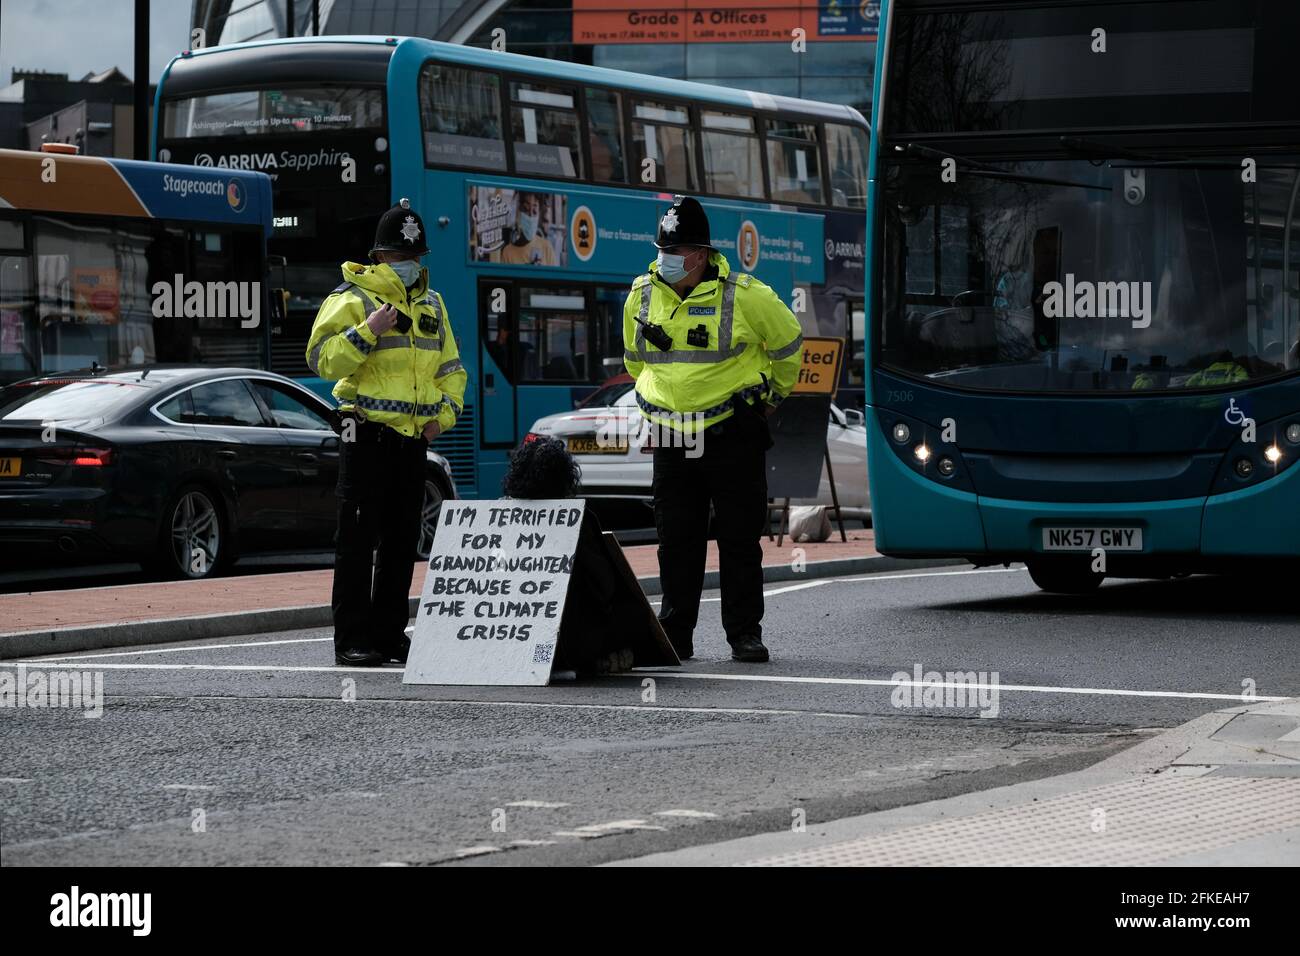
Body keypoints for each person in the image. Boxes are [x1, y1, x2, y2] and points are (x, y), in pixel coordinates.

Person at [623, 195, 804, 663]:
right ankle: (676, 634)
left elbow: (789, 345)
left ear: (701, 254)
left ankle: (744, 634)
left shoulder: (746, 295)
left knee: (739, 539)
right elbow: (634, 359)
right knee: (676, 541)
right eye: (662, 248)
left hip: (731, 433)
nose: (665, 258)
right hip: (670, 434)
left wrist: (772, 400)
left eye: (676, 251)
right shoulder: (641, 294)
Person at [305, 198, 468, 667]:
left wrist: (444, 418)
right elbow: (321, 359)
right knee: (356, 542)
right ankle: (352, 640)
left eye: (415, 259)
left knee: (401, 543)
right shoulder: (352, 298)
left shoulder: (432, 304)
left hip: (412, 442)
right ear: (379, 257)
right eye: (400, 258)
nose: (409, 267)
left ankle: (390, 635)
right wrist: (367, 331)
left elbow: (453, 370)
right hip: (367, 437)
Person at [501, 436, 626, 675]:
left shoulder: (495, 519)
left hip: (509, 639)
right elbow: (605, 585)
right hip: (573, 644)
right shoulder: (578, 520)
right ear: (566, 477)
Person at [495, 192, 557, 266]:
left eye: (534, 211)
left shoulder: (547, 248)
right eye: (526, 210)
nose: (530, 216)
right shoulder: (508, 253)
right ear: (519, 212)